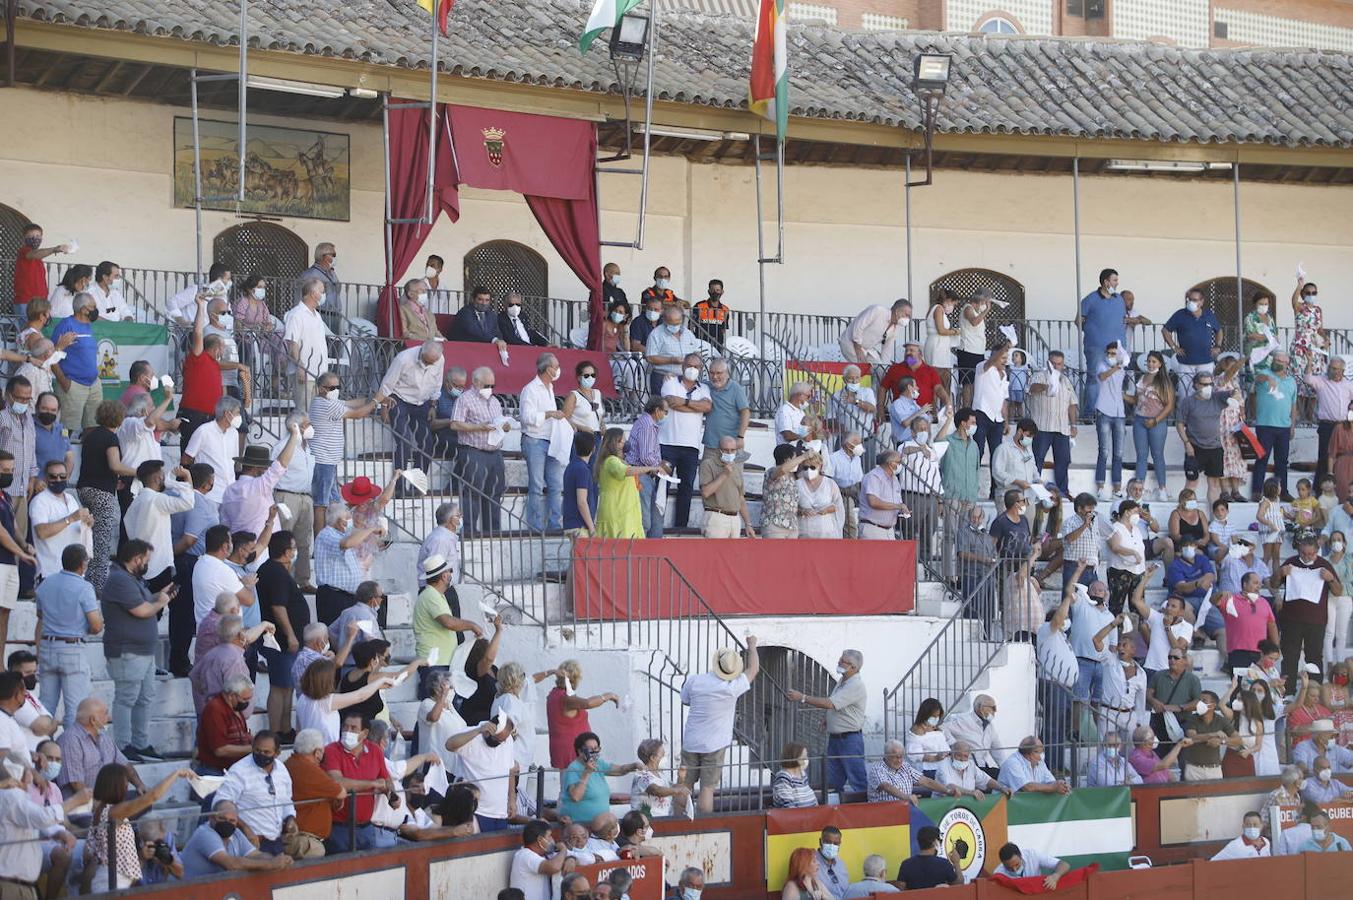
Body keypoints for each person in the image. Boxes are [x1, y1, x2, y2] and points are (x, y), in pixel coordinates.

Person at [99, 538, 175, 761]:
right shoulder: (119, 580)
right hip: (126, 651)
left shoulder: (131, 579)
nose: (147, 564)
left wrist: (160, 596)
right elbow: (141, 611)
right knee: (126, 698)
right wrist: (160, 602)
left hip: (143, 652)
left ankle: (140, 743)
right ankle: (122, 745)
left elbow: (144, 603)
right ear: (136, 559)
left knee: (144, 698)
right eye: (146, 560)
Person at [89, 764, 197, 891]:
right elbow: (152, 797)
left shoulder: (102, 809)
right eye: (125, 783)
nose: (126, 787)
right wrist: (176, 773)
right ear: (116, 786)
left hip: (117, 880)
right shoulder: (112, 812)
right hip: (112, 882)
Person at [681, 638, 759, 813]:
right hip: (715, 744)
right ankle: (704, 825)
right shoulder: (731, 687)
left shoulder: (694, 680)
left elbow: (685, 700)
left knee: (684, 785)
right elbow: (753, 669)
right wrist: (752, 646)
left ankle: (676, 821)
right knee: (707, 788)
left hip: (691, 741)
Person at [73, 401, 131, 590]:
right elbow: (115, 465)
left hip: (85, 489)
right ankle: (97, 585)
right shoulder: (110, 438)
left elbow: (96, 464)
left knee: (89, 535)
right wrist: (139, 471)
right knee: (102, 539)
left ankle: (84, 577)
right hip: (101, 493)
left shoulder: (91, 435)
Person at [321, 713, 398, 852]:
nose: (347, 732)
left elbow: (386, 779)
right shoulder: (331, 750)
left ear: (365, 733)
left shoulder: (375, 751)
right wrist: (373, 784)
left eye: (353, 728)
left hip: (367, 828)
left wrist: (393, 796)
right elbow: (337, 783)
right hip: (339, 829)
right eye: (345, 727)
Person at [412, 553, 481, 695]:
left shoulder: (436, 595)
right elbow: (448, 622)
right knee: (437, 708)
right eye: (450, 571)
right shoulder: (431, 595)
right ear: (443, 576)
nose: (451, 574)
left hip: (440, 661)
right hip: (435, 663)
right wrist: (472, 625)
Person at [1278, 535, 1341, 689]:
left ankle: (1315, 692)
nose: (1306, 557)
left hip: (1316, 621)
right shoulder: (1291, 562)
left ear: (1317, 551)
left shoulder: (1324, 564)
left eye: (1310, 554)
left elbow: (1338, 591)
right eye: (1303, 553)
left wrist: (1331, 579)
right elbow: (1273, 583)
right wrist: (1280, 573)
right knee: (1289, 656)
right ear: (1298, 550)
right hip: (1291, 619)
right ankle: (1287, 692)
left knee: (1314, 658)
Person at [123, 461, 196, 591]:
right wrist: (186, 477)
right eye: (163, 475)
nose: (164, 478)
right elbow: (188, 502)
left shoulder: (135, 503)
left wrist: (172, 478)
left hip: (140, 567)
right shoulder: (157, 499)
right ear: (158, 478)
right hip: (159, 566)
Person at [375, 340, 443, 477]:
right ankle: (398, 487)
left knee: (427, 443)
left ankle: (416, 485)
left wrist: (433, 405)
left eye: (432, 363)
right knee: (404, 442)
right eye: (426, 361)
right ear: (421, 352)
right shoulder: (403, 359)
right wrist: (382, 407)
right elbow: (387, 383)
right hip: (400, 399)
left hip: (422, 402)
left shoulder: (440, 359)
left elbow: (437, 383)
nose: (428, 365)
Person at [660, 354, 711, 529]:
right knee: (662, 487)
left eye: (696, 366)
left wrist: (684, 402)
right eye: (689, 365)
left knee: (686, 489)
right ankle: (657, 525)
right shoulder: (670, 382)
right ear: (682, 366)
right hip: (667, 444)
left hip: (691, 447)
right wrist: (694, 406)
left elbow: (707, 407)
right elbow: (670, 403)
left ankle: (681, 527)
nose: (692, 369)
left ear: (701, 369)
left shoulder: (704, 388)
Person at [180, 799, 293, 877]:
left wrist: (278, 860)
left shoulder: (236, 834)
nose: (227, 823)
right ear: (211, 818)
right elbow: (231, 864)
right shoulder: (205, 834)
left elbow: (256, 855)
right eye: (222, 818)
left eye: (232, 820)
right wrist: (271, 864)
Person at [447, 716, 519, 832]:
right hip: (476, 811)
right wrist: (478, 731)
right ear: (488, 732)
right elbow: (449, 745)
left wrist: (512, 798)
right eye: (497, 739)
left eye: (503, 740)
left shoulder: (507, 739)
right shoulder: (473, 734)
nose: (501, 743)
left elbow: (510, 769)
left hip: (500, 812)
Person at [49, 292, 105, 432]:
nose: (96, 309)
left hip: (93, 384)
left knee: (94, 427)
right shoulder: (66, 325)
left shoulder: (89, 325)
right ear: (84, 309)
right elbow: (51, 356)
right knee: (67, 430)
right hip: (73, 385)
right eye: (93, 306)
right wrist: (63, 381)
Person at [546, 660, 619, 769]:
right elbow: (588, 703)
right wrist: (608, 696)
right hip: (572, 750)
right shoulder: (565, 698)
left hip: (563, 749)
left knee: (568, 782)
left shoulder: (554, 694)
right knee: (576, 782)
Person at [559, 731, 643, 824]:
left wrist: (634, 765)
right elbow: (576, 797)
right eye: (589, 749)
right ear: (580, 751)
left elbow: (620, 770)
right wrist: (586, 773)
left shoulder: (598, 763)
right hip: (580, 823)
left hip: (600, 823)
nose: (594, 752)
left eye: (596, 748)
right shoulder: (573, 768)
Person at [1174, 370, 1232, 504]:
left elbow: (1233, 392)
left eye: (1210, 384)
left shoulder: (1216, 397)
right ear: (1196, 385)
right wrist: (1186, 443)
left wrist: (1235, 398)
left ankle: (1215, 518)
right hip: (1194, 447)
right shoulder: (1188, 402)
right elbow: (1179, 423)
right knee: (1191, 484)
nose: (1208, 387)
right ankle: (1183, 513)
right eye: (1204, 384)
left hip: (1215, 447)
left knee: (1214, 484)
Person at [1250, 350, 1299, 500]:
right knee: (1262, 458)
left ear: (1287, 364)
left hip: (1284, 427)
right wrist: (1268, 378)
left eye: (1281, 361)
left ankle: (1282, 491)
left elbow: (1293, 405)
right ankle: (1257, 491)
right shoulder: (1264, 373)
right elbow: (1257, 378)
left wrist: (1292, 426)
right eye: (1276, 359)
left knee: (1282, 461)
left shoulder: (1291, 381)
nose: (1278, 362)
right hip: (1265, 425)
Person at [1078, 268, 1125, 413]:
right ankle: (1090, 413)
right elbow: (1078, 320)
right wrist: (1093, 332)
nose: (1117, 283)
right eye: (1114, 280)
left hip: (1117, 348)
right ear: (1106, 282)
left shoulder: (1119, 299)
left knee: (1116, 378)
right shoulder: (1090, 299)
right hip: (1096, 348)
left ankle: (1111, 411)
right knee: (1095, 379)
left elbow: (1122, 320)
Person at [1162, 288, 1223, 396]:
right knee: (1185, 394)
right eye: (1189, 299)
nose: (1191, 302)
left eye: (1195, 300)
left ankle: (1204, 413)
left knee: (1206, 392)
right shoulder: (1180, 314)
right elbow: (1165, 330)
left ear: (1202, 301)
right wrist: (1174, 347)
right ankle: (1184, 413)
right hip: (1186, 362)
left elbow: (1219, 330)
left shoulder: (1208, 315)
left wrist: (1218, 346)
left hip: (1206, 361)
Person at [624, 397, 669, 538]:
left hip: (647, 475)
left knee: (653, 519)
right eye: (665, 412)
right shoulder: (647, 425)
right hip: (642, 475)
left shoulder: (645, 423)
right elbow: (645, 456)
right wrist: (660, 466)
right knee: (645, 521)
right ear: (657, 411)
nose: (666, 415)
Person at [698, 435, 755, 538]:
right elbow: (706, 492)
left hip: (735, 518)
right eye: (726, 450)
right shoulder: (708, 464)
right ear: (719, 450)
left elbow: (741, 498)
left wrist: (748, 524)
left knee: (733, 554)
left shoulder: (736, 467)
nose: (729, 453)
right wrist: (724, 475)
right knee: (714, 553)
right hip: (716, 517)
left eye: (732, 450)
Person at [867, 739, 957, 804]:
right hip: (881, 814)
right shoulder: (877, 768)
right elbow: (886, 786)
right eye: (895, 757)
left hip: (904, 812)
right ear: (886, 755)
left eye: (901, 757)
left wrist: (947, 791)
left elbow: (926, 781)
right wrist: (907, 797)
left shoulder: (905, 766)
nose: (899, 760)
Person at [1307, 357, 1353, 485]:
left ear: (1343, 370)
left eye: (1338, 369)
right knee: (1324, 458)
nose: (1336, 371)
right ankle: (1319, 489)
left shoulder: (1348, 384)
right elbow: (1308, 379)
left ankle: (1338, 487)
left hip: (1344, 426)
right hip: (1327, 426)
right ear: (1329, 368)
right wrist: (1310, 363)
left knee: (1341, 457)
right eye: (1333, 368)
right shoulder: (1322, 381)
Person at [1093, 342, 1128, 499]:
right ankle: (1100, 487)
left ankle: (1117, 488)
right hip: (1104, 411)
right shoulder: (1102, 365)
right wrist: (1116, 367)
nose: (1110, 356)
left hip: (1119, 412)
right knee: (1104, 451)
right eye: (1109, 353)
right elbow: (1102, 377)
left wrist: (1121, 364)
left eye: (1114, 353)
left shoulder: (1123, 369)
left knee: (1119, 453)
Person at [645, 303, 701, 396]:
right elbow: (650, 357)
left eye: (677, 322)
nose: (675, 326)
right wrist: (672, 360)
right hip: (663, 377)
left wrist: (696, 360)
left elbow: (696, 351)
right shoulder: (656, 334)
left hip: (687, 378)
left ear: (682, 320)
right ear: (664, 320)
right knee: (663, 408)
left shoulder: (688, 334)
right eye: (671, 323)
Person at [940, 694, 1003, 773]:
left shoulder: (989, 726)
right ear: (981, 708)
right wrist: (955, 745)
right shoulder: (963, 721)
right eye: (992, 708)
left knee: (1003, 777)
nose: (995, 711)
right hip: (968, 767)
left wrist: (1005, 769)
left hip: (983, 767)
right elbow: (942, 728)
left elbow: (997, 750)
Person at [838, 298, 910, 365]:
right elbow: (859, 326)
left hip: (867, 349)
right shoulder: (877, 311)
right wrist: (858, 348)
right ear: (897, 311)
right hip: (850, 343)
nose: (908, 318)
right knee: (864, 369)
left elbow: (887, 350)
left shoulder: (895, 329)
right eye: (906, 315)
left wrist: (885, 366)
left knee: (879, 369)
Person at [511, 819, 570, 900]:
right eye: (549, 836)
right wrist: (563, 850)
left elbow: (588, 859)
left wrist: (571, 859)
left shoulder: (542, 855)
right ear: (540, 839)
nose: (552, 839)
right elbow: (554, 868)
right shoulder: (524, 855)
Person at [857, 450, 910, 540]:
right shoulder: (874, 477)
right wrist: (898, 506)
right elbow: (873, 502)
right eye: (898, 462)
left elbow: (896, 503)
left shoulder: (894, 480)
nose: (900, 465)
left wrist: (901, 511)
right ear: (890, 463)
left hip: (889, 531)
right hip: (873, 529)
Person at [761, 444, 811, 540]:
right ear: (787, 459)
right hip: (775, 525)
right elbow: (783, 469)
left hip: (792, 526)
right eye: (794, 458)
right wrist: (804, 456)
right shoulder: (772, 472)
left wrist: (802, 511)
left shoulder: (792, 477)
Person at [895, 827, 962, 890]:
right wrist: (956, 863)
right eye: (940, 841)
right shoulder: (944, 864)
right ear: (934, 842)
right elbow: (959, 885)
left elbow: (899, 889)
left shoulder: (906, 864)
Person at [997, 736, 1069, 794]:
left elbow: (1051, 781)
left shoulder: (1040, 762)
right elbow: (1027, 787)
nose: (1042, 756)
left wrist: (1061, 784)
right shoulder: (1012, 763)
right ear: (1030, 754)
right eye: (1040, 752)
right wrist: (1053, 788)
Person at [940, 408, 981, 505]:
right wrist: (949, 419)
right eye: (973, 423)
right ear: (963, 423)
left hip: (970, 498)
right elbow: (938, 441)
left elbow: (976, 471)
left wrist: (974, 494)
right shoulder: (949, 441)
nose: (975, 426)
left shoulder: (974, 445)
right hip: (952, 497)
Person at [797, 455, 845, 539]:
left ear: (820, 466)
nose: (809, 470)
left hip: (827, 534)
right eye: (805, 467)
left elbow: (838, 506)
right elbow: (790, 507)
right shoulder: (797, 484)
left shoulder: (830, 484)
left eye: (812, 467)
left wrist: (826, 510)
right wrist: (802, 511)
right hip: (804, 533)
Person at [419, 501, 463, 584]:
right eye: (458, 516)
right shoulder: (440, 540)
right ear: (450, 520)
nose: (460, 519)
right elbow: (436, 572)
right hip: (439, 589)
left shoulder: (445, 538)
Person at [771, 742, 817, 808]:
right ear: (795, 757)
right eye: (804, 757)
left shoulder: (803, 775)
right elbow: (787, 805)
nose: (806, 760)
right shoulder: (783, 777)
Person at [298, 242, 340, 308]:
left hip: (334, 313)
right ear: (324, 256)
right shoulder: (311, 274)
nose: (334, 258)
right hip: (321, 313)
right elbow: (303, 297)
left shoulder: (332, 273)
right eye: (333, 255)